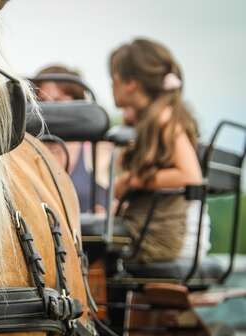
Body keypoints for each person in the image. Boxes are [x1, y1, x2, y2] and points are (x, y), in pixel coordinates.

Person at [110, 38, 210, 263]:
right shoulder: (152, 120)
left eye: (113, 78)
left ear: (130, 84)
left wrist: (133, 180)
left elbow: (189, 175)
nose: (111, 86)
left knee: (85, 241)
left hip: (159, 236)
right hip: (152, 228)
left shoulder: (165, 119)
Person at [34, 65, 110, 213]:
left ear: (78, 103)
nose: (49, 109)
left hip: (88, 235)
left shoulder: (97, 150)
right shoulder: (24, 148)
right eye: (42, 101)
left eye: (58, 101)